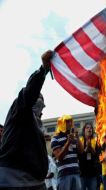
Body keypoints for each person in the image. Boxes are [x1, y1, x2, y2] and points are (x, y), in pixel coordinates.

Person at [0, 50, 53, 189]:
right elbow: (29, 93)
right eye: (39, 100)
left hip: (34, 182)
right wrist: (43, 70)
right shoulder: (19, 108)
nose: (41, 107)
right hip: (15, 181)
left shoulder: (35, 124)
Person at [51, 115, 84, 190]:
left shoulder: (74, 137)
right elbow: (59, 157)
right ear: (61, 123)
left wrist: (77, 137)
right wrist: (68, 142)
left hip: (76, 173)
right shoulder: (55, 139)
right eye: (67, 122)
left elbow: (81, 151)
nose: (70, 123)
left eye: (70, 121)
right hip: (64, 174)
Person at [79, 122, 100, 190]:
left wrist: (90, 148)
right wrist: (86, 149)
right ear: (84, 130)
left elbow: (97, 155)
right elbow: (79, 156)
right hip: (82, 173)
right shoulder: (80, 141)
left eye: (91, 128)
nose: (89, 129)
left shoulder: (96, 141)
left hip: (93, 174)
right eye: (87, 128)